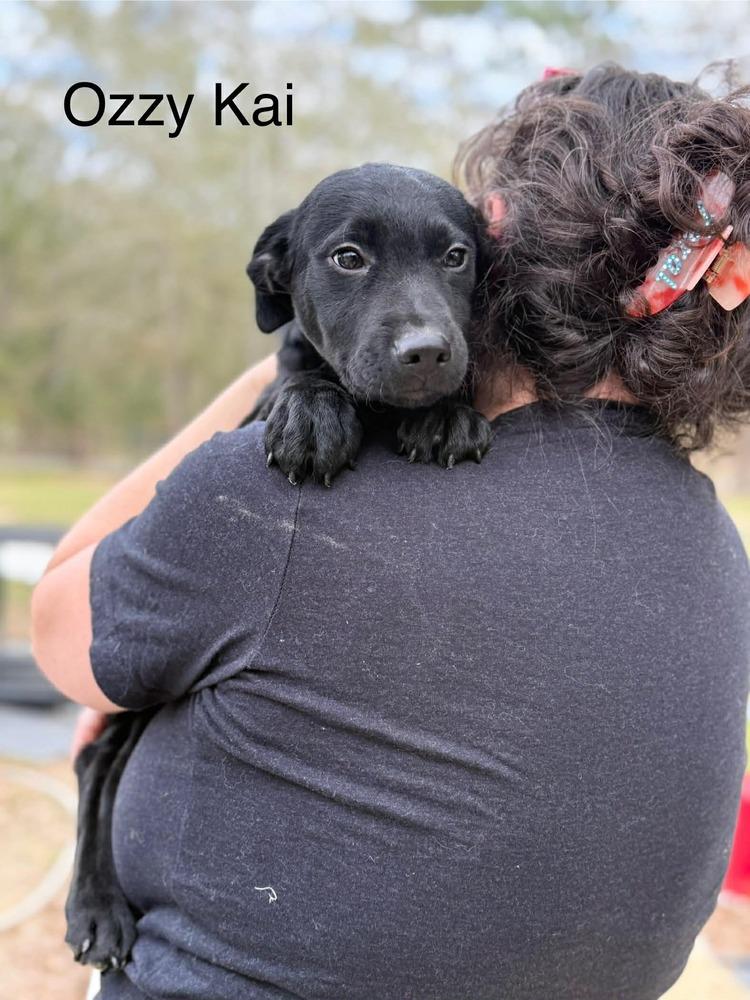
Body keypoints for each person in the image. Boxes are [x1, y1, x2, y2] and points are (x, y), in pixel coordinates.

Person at [32, 64, 750, 1000]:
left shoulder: (275, 505)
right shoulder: (714, 545)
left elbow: (58, 626)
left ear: (494, 241)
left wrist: (273, 379)